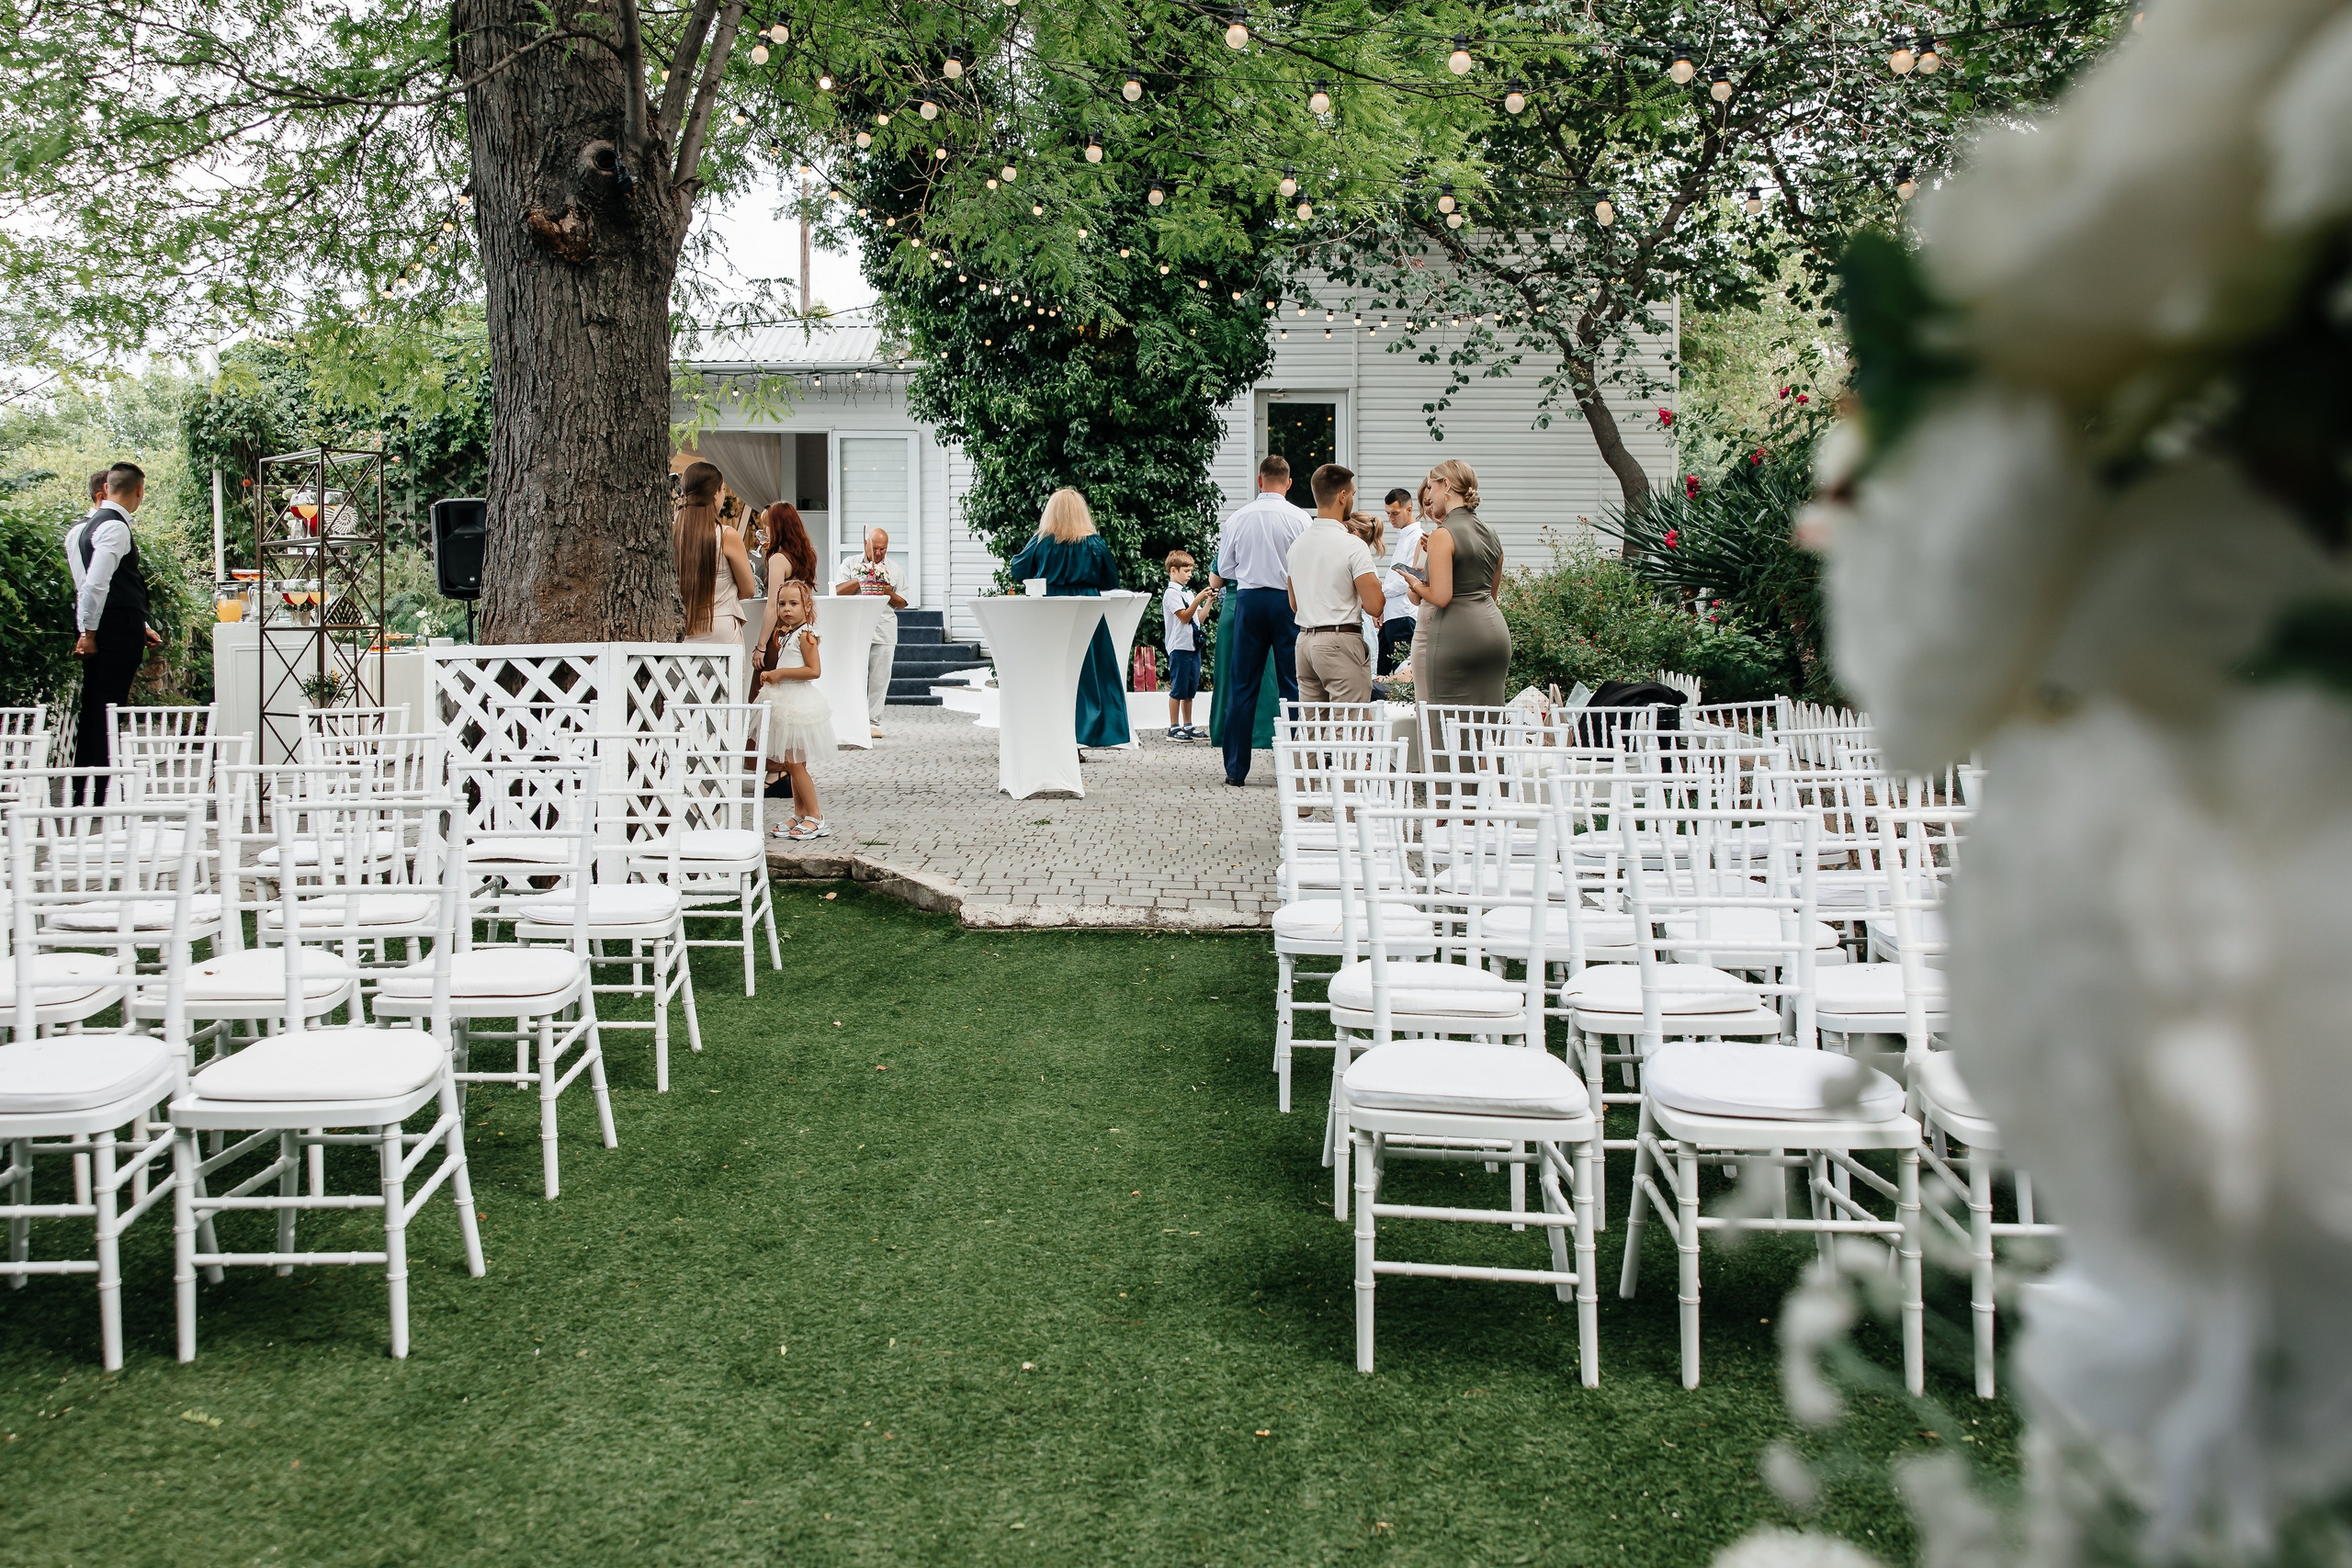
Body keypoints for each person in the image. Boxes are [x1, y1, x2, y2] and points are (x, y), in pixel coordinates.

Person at [1209, 455, 1311, 785]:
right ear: (1289, 483)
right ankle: (1295, 767)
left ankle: (1236, 770)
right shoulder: (1300, 519)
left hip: (1250, 601)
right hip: (1288, 601)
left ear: (1260, 480)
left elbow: (1224, 570)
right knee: (1292, 684)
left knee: (1243, 685)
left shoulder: (1238, 518)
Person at [1006, 489, 1131, 750]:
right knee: (1091, 674)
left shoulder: (1042, 541)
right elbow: (1111, 580)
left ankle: (1053, 737)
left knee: (1053, 673)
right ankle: (1084, 735)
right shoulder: (1095, 543)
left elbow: (1018, 568)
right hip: (1087, 610)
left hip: (1051, 610)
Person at [65, 461, 163, 796]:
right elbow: (95, 585)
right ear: (139, 490)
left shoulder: (81, 529)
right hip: (113, 631)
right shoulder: (116, 527)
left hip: (115, 626)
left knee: (97, 706)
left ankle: (88, 788)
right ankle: (100, 791)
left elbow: (91, 586)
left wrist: (141, 625)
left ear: (107, 488)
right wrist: (88, 632)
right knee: (108, 709)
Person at [1407, 458, 1512, 706]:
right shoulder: (1491, 533)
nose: (1429, 495)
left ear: (1446, 485)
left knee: (1444, 722)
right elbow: (1491, 593)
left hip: (1456, 636)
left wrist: (1415, 581)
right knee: (1487, 722)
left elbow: (1442, 596)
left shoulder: (1443, 534)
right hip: (1494, 633)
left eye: (1430, 488)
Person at [1285, 464, 1385, 707]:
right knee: (1349, 728)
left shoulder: (1297, 546)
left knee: (1312, 727)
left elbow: (1294, 603)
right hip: (1340, 641)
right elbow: (1375, 605)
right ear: (1342, 496)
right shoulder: (1352, 545)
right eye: (1351, 494)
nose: (1351, 500)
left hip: (1305, 642)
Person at [755, 579, 832, 841]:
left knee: (796, 764)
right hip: (785, 703)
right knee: (791, 762)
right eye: (782, 604)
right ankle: (800, 812)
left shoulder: (806, 635)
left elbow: (814, 671)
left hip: (798, 704)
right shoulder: (788, 632)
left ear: (807, 606)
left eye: (794, 603)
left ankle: (816, 816)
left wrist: (780, 673)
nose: (787, 609)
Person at [674, 462, 757, 653]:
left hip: (682, 630)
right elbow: (749, 589)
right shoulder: (726, 535)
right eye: (723, 489)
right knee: (726, 684)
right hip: (720, 628)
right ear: (715, 493)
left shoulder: (672, 533)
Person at [834, 528, 906, 739]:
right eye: (875, 548)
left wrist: (887, 591)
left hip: (884, 628)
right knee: (854, 674)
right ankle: (851, 718)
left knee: (880, 678)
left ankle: (872, 722)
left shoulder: (894, 568)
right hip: (855, 628)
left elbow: (902, 603)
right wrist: (863, 578)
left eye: (883, 549)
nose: (879, 553)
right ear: (865, 544)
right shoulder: (849, 563)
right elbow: (837, 590)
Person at [1160, 549, 1215, 739]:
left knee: (1190, 688)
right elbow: (1183, 617)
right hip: (1179, 647)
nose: (1189, 575)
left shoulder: (1188, 593)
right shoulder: (1171, 594)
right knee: (1178, 688)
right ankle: (1174, 727)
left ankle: (1188, 725)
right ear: (1173, 570)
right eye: (1186, 571)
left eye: (1191, 571)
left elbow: (1198, 617)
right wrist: (1198, 598)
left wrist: (1207, 602)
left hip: (1192, 647)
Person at [1376, 487, 1423, 677]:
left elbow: (1409, 579)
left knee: (1401, 676)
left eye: (1395, 513)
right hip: (1391, 615)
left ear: (1409, 509)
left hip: (1404, 616)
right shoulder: (1403, 537)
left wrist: (1380, 592)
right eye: (1388, 514)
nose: (1391, 518)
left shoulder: (1417, 538)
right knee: (1382, 674)